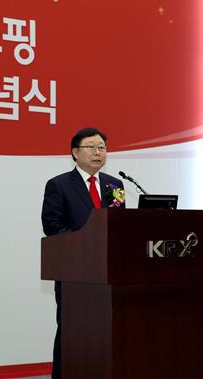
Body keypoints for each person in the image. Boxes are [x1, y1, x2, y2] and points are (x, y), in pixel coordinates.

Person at [41, 127, 125, 379]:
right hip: (74, 273)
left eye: (102, 148)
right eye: (91, 147)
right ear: (75, 153)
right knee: (71, 332)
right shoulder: (58, 185)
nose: (98, 152)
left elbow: (120, 225)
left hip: (108, 274)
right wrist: (86, 244)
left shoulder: (115, 184)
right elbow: (52, 226)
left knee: (105, 332)